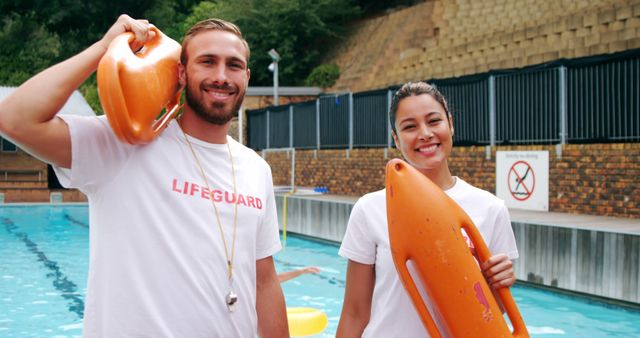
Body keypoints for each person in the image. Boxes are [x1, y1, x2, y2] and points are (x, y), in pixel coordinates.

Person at [0, 15, 288, 337]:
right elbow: (13, 119)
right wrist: (103, 49)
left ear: (246, 76)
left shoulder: (255, 169)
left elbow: (264, 281)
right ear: (181, 72)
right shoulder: (123, 144)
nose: (221, 76)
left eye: (233, 65)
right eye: (207, 62)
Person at [336, 81, 519, 337]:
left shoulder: (490, 209)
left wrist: (498, 284)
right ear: (396, 139)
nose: (425, 134)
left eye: (434, 121)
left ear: (450, 124)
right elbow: (355, 312)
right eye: (410, 127)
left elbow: (491, 315)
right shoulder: (371, 209)